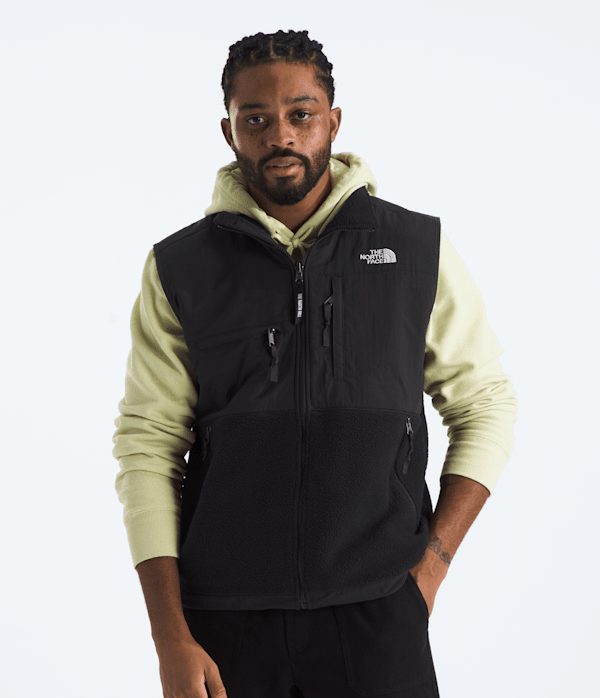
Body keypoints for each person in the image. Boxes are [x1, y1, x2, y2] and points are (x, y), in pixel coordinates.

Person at [113, 29, 517, 698]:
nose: (281, 135)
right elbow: (148, 446)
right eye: (256, 119)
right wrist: (170, 637)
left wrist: (432, 566)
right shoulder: (181, 268)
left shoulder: (414, 248)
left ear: (333, 121)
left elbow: (486, 403)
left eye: (300, 114)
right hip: (225, 622)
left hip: (380, 612)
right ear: (229, 130)